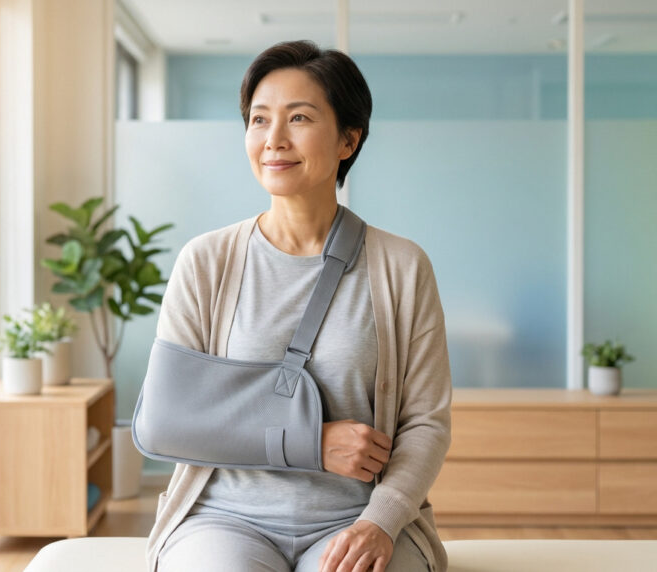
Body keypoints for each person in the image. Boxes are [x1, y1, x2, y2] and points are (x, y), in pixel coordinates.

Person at [147, 40, 452, 572]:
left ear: (348, 139)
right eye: (259, 119)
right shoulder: (206, 261)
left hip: (357, 518)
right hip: (224, 519)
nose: (274, 139)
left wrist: (381, 521)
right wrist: (311, 443)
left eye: (299, 118)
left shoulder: (402, 266)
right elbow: (164, 422)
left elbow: (426, 422)